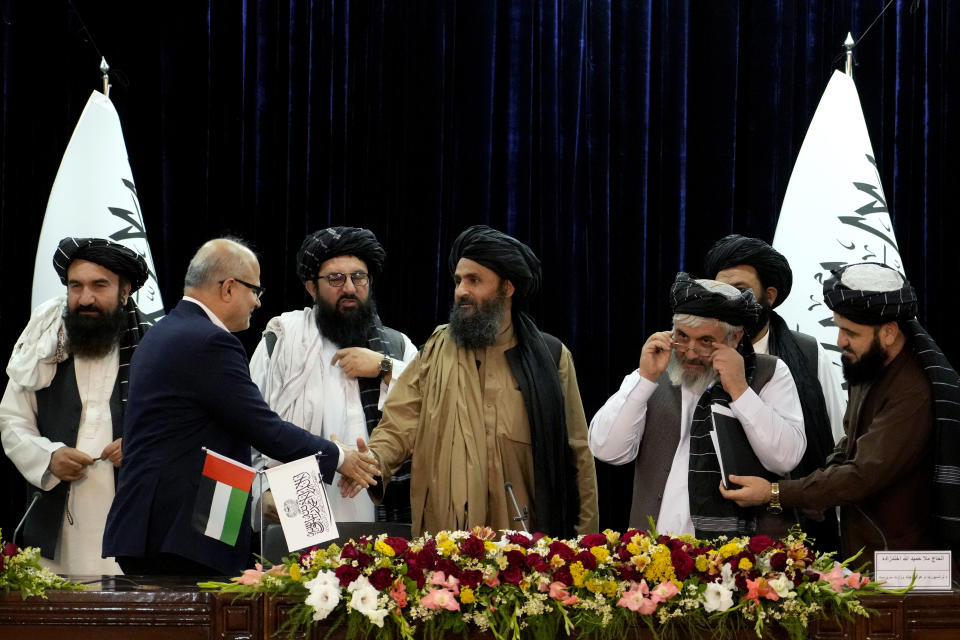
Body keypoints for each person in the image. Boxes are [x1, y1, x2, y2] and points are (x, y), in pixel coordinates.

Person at [102, 237, 379, 576]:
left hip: (160, 529)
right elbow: (264, 427)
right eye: (255, 290)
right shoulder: (210, 342)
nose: (257, 302)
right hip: (178, 536)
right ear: (229, 288)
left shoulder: (165, 332)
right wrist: (339, 456)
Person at [344, 225, 598, 537]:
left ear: (507, 287)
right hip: (450, 542)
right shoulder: (437, 352)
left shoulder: (551, 357)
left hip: (527, 546)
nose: (460, 290)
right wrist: (374, 460)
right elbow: (399, 423)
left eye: (474, 280)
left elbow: (577, 455)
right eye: (458, 280)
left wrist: (585, 541)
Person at [721, 262, 960, 560]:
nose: (840, 341)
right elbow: (850, 443)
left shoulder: (913, 389)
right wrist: (820, 488)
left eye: (850, 332)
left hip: (903, 563)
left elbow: (863, 474)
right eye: (838, 327)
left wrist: (775, 493)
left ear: (888, 332)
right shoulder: (870, 364)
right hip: (866, 550)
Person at [589, 273, 805, 539]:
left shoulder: (769, 372)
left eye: (705, 341)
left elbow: (785, 458)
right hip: (654, 558)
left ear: (735, 338)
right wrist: (645, 380)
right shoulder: (654, 372)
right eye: (682, 336)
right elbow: (607, 451)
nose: (690, 352)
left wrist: (740, 390)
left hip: (740, 560)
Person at [0, 237, 151, 575]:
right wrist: (48, 456)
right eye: (76, 285)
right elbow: (12, 420)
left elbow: (182, 428)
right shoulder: (44, 341)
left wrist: (142, 448)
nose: (86, 299)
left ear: (125, 291)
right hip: (56, 526)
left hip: (130, 528)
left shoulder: (155, 345)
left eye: (100, 285)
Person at [249, 227, 417, 524]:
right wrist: (262, 491)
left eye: (358, 277)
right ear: (312, 288)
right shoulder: (280, 343)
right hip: (298, 513)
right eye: (336, 279)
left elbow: (430, 410)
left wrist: (384, 367)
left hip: (380, 518)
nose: (350, 288)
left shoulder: (397, 346)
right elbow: (250, 426)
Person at [704, 234, 845, 550]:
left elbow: (834, 440)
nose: (729, 302)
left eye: (740, 291)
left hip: (790, 523)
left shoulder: (807, 354)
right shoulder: (694, 357)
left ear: (769, 295)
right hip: (707, 520)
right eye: (720, 292)